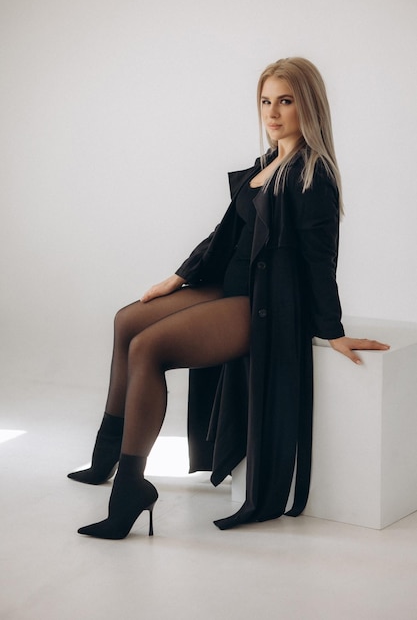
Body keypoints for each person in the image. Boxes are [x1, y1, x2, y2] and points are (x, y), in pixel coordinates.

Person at [68, 57, 389, 539]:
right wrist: (178, 278)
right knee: (127, 320)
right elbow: (224, 235)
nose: (273, 113)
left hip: (266, 301)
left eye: (285, 101)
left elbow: (322, 262)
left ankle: (131, 490)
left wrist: (334, 331)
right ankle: (105, 457)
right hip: (230, 283)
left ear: (310, 107)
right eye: (266, 101)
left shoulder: (312, 175)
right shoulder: (266, 163)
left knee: (147, 348)